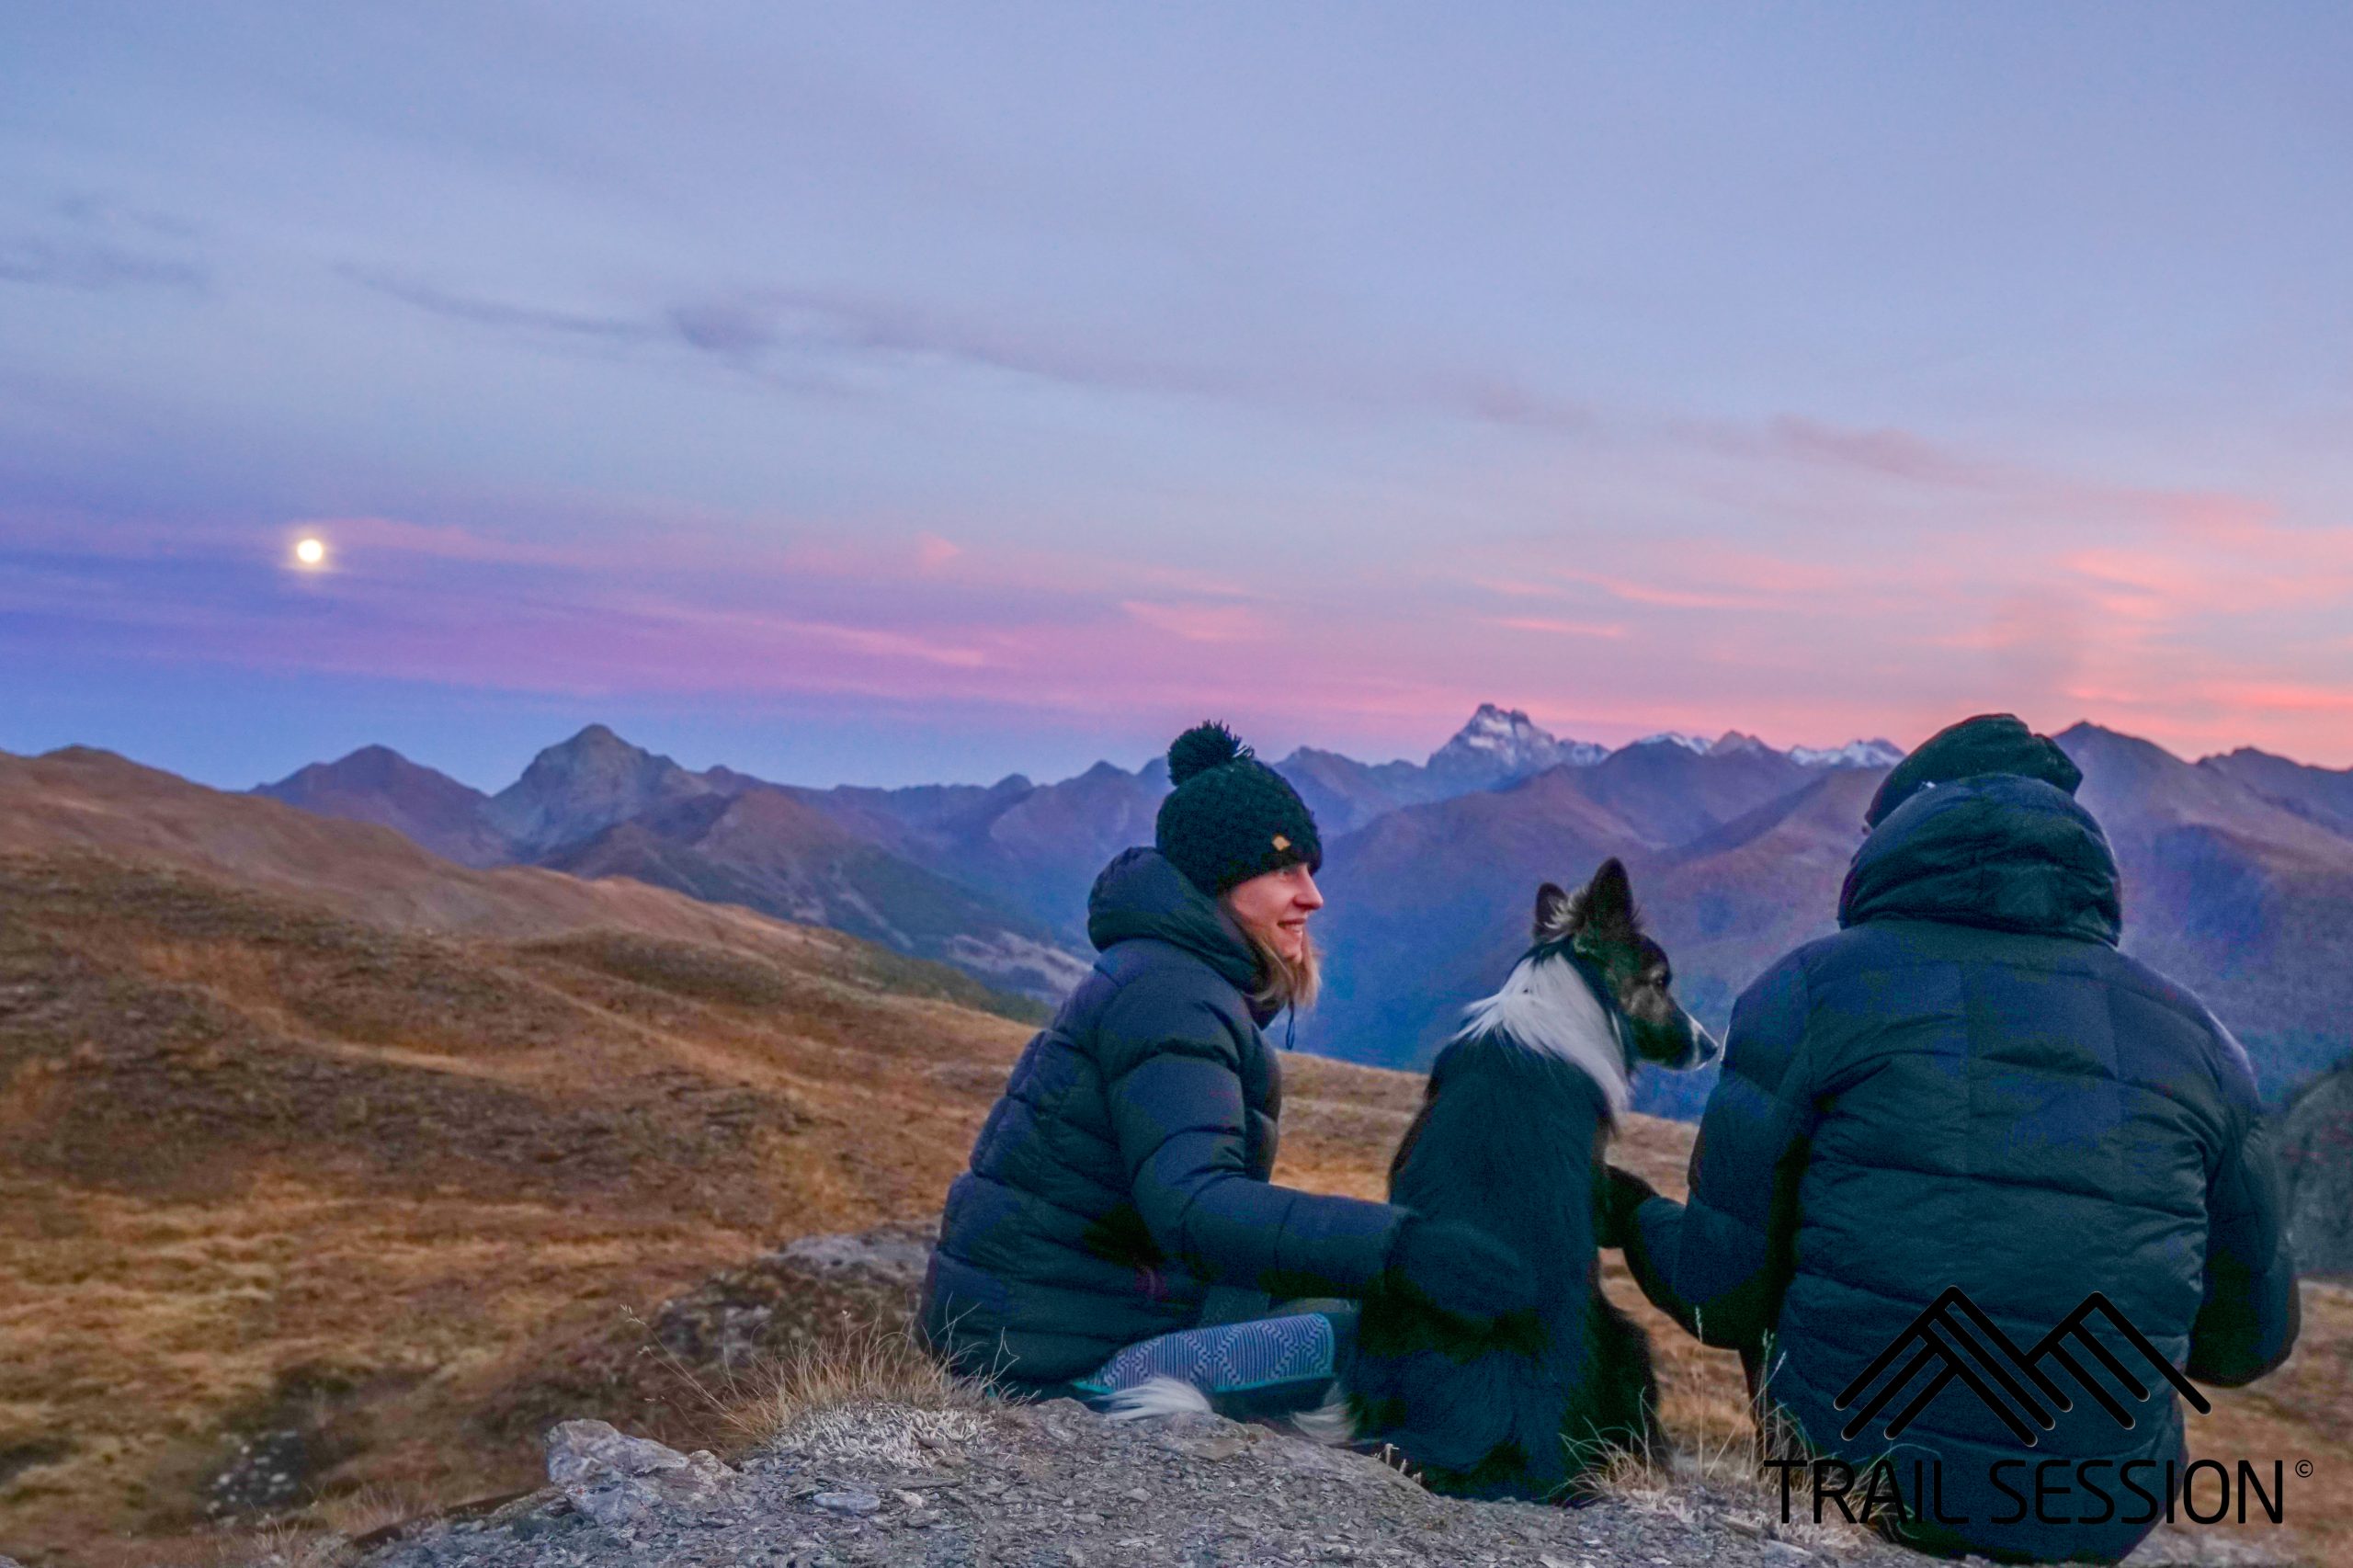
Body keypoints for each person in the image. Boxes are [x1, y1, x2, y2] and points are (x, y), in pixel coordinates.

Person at [1598, 714, 2300, 1564]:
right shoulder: (2206, 1046)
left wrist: (1632, 1212)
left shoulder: (1808, 992)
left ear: (1892, 845)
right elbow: (2247, 1345)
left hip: (1853, 1479)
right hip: (2099, 1511)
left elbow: (1720, 1295)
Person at [922, 721, 1537, 1414]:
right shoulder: (1170, 995)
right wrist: (1402, 1248)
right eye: (1285, 870)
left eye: (1311, 870)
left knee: (1358, 1299)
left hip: (1067, 1326)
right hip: (1056, 1365)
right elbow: (1195, 1204)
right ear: (1220, 881)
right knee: (1402, 1332)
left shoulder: (1169, 977)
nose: (1312, 895)